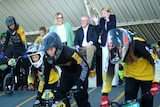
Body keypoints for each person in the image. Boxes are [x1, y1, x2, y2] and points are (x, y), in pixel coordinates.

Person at [100, 28, 160, 107]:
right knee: (129, 102)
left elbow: (156, 62)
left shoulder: (139, 45)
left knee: (147, 101)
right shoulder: (113, 51)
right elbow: (108, 72)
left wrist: (156, 83)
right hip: (130, 75)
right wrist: (105, 94)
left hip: (147, 76)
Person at [40, 32, 91, 107]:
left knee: (81, 99)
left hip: (79, 74)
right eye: (47, 50)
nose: (49, 52)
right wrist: (39, 96)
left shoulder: (70, 53)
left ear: (57, 47)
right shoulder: (47, 58)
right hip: (66, 75)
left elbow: (85, 67)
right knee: (59, 96)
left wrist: (79, 82)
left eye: (51, 49)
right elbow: (45, 76)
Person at [0, 16, 28, 90]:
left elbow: (24, 41)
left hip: (22, 49)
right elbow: (6, 42)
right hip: (15, 50)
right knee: (15, 68)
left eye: (12, 25)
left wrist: (25, 52)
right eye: (9, 25)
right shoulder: (8, 31)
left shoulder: (20, 30)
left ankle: (26, 83)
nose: (11, 26)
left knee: (25, 66)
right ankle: (17, 83)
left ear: (14, 23)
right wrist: (3, 52)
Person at [92, 7, 116, 86]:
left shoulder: (112, 18)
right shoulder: (102, 20)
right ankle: (105, 80)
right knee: (105, 59)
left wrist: (108, 20)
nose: (103, 15)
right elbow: (99, 30)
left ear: (109, 13)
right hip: (104, 41)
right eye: (102, 13)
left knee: (112, 59)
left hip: (111, 41)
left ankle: (114, 81)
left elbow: (112, 28)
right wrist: (96, 23)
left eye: (104, 13)